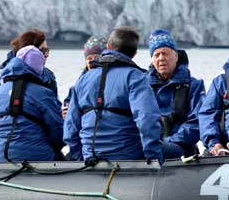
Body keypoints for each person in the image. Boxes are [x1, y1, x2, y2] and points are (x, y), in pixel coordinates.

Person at [63, 26, 163, 163]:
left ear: (108, 47)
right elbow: (147, 120)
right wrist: (153, 158)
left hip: (90, 156)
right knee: (176, 150)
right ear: (134, 54)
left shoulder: (83, 79)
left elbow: (70, 129)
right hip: (127, 155)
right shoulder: (135, 77)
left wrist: (80, 158)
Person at [0, 45, 64, 162]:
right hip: (37, 156)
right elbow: (58, 133)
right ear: (38, 68)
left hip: (0, 155)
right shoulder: (43, 93)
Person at [146, 29, 206, 158]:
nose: (161, 58)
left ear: (176, 56)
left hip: (181, 148)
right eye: (157, 55)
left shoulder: (194, 86)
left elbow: (199, 121)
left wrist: (171, 141)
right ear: (152, 60)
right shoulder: (142, 86)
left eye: (165, 53)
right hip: (151, 146)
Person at [0, 28, 57, 94]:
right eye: (43, 50)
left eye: (47, 50)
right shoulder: (4, 78)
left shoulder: (48, 77)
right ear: (29, 52)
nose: (47, 55)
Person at [62, 34, 107, 118]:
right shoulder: (78, 85)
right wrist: (65, 114)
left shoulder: (113, 81)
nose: (92, 61)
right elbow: (68, 107)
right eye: (89, 58)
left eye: (96, 57)